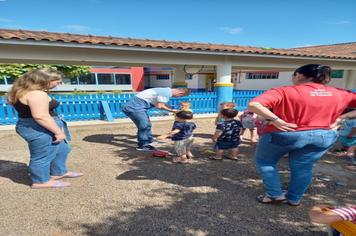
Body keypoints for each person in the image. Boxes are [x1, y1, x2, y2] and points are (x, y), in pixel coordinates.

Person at [248, 64, 356, 206]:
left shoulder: (284, 91)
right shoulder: (340, 93)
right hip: (323, 135)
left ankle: (274, 194)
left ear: (298, 75)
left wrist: (276, 120)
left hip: (287, 134)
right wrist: (342, 117)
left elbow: (254, 105)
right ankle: (294, 198)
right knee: (304, 166)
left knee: (266, 162)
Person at [8, 68, 83, 189]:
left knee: (63, 149)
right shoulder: (37, 94)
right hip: (39, 127)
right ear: (45, 80)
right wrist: (58, 132)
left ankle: (58, 172)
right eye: (57, 81)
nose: (59, 84)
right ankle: (41, 181)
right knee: (43, 154)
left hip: (34, 125)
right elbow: (41, 116)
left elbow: (14, 105)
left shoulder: (20, 91)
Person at [122, 87, 189, 151]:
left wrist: (172, 108)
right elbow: (159, 106)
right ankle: (143, 145)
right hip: (134, 108)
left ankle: (150, 141)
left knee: (147, 125)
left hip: (138, 107)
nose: (177, 97)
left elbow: (162, 104)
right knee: (144, 126)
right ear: (180, 93)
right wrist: (172, 110)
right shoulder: (166, 93)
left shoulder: (165, 91)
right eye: (179, 96)